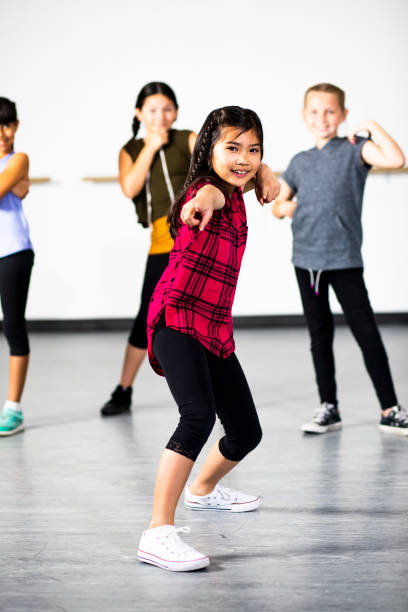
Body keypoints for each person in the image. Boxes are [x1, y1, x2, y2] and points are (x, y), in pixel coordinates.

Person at [137, 106, 276, 572]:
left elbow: (246, 175)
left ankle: (202, 491)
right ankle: (157, 532)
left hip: (214, 326)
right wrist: (204, 202)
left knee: (246, 432)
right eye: (232, 148)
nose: (244, 159)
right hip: (176, 319)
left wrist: (265, 173)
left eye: (253, 149)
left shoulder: (241, 184)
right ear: (207, 151)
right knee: (196, 416)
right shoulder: (206, 193)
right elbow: (209, 194)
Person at [101, 83, 279, 417]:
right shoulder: (132, 148)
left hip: (199, 234)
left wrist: (265, 169)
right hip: (164, 242)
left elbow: (226, 166)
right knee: (149, 316)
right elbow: (130, 188)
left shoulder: (188, 137)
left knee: (200, 312)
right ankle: (124, 388)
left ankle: (207, 386)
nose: (161, 116)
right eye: (152, 110)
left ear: (177, 112)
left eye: (167, 109)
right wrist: (151, 147)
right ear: (139, 114)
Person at [272, 82, 407, 436]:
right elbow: (277, 205)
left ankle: (390, 408)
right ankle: (329, 407)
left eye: (330, 111)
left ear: (343, 115)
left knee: (367, 333)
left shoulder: (355, 150)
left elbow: (396, 159)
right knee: (320, 335)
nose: (322, 118)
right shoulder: (300, 162)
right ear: (304, 116)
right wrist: (288, 207)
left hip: (344, 259)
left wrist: (372, 127)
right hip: (307, 262)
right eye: (314, 112)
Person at [0, 97, 32, 436]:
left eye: (7, 124)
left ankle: (14, 409)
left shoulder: (19, 159)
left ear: (16, 126)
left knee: (13, 328)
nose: (2, 133)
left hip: (13, 252)